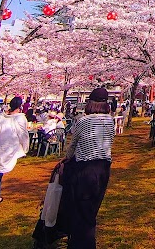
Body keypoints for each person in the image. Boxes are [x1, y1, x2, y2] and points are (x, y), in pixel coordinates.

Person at [56, 86, 115, 248]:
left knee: (81, 210)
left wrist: (66, 159)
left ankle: (81, 243)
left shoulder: (83, 121)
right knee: (91, 209)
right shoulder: (110, 121)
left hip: (85, 169)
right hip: (103, 169)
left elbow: (74, 144)